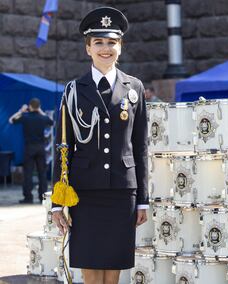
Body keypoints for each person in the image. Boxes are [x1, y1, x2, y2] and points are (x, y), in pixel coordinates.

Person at [51, 7, 148, 284]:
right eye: (99, 43)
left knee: (114, 266)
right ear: (88, 49)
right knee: (91, 264)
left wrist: (143, 199)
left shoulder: (135, 88)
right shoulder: (72, 90)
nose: (105, 49)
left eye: (111, 42)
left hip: (122, 191)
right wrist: (58, 204)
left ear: (121, 47)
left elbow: (140, 146)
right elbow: (63, 148)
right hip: (86, 192)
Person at [9, 98, 53, 204]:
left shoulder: (25, 117)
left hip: (29, 148)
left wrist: (21, 111)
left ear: (30, 106)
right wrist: (40, 110)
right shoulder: (42, 118)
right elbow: (51, 122)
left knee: (28, 173)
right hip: (40, 147)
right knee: (42, 173)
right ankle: (42, 197)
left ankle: (28, 197)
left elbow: (11, 120)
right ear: (39, 106)